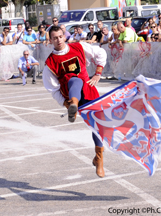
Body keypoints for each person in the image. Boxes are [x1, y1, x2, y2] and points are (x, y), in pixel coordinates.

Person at [43, 26, 107, 178]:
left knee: (98, 125)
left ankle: (99, 159)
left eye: (60, 36)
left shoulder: (79, 47)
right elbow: (53, 90)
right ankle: (73, 105)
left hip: (88, 90)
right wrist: (65, 104)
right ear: (50, 40)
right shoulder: (50, 63)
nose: (58, 40)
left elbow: (100, 52)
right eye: (55, 38)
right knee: (74, 80)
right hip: (70, 92)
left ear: (64, 36)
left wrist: (98, 74)